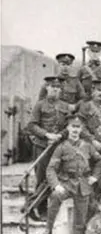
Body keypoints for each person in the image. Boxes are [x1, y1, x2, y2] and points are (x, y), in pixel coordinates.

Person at [40, 114, 101, 234]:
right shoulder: (61, 147)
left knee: (80, 223)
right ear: (68, 128)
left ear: (81, 129)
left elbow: (99, 160)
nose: (75, 129)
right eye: (73, 126)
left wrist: (95, 176)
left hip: (83, 185)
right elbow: (50, 168)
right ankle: (48, 229)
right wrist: (56, 184)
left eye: (78, 127)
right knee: (55, 196)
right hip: (67, 183)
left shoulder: (87, 146)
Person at [28, 76, 70, 214]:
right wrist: (47, 135)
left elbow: (69, 126)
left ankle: (49, 209)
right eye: (53, 87)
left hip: (59, 147)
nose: (55, 90)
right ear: (47, 88)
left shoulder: (65, 106)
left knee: (55, 177)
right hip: (42, 147)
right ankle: (39, 209)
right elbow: (32, 125)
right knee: (42, 178)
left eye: (58, 88)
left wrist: (60, 135)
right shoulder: (40, 105)